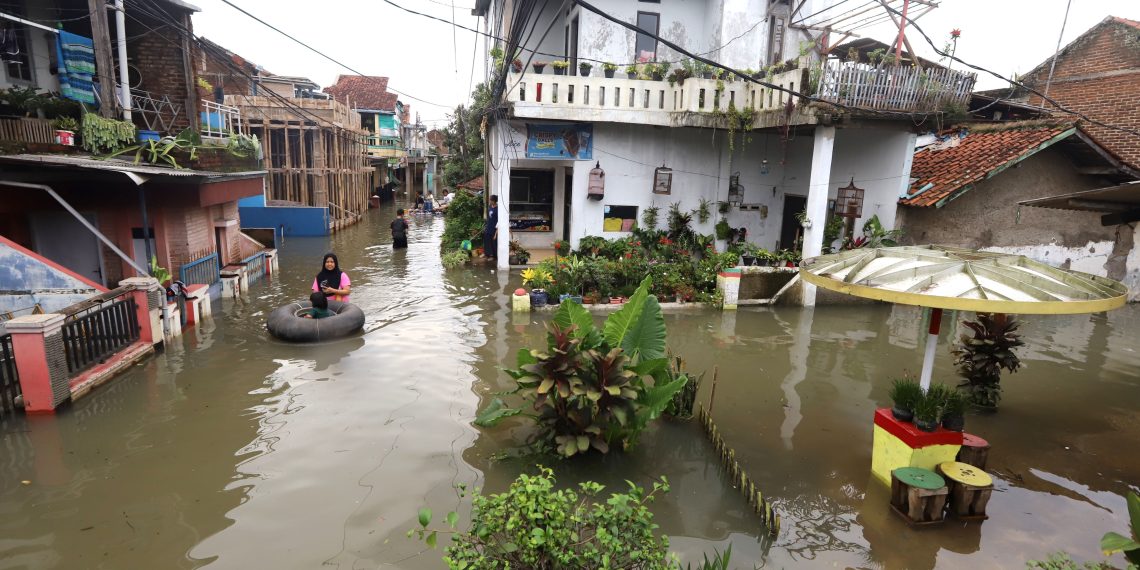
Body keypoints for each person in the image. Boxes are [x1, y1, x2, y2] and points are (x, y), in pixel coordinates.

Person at [484, 194, 499, 260]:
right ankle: (487, 254)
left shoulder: (497, 209)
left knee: (493, 242)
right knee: (487, 240)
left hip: (494, 227)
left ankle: (494, 256)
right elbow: (489, 218)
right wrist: (486, 225)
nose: (489, 201)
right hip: (488, 226)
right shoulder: (490, 207)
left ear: (494, 201)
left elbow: (498, 220)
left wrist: (496, 230)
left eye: (490, 200)